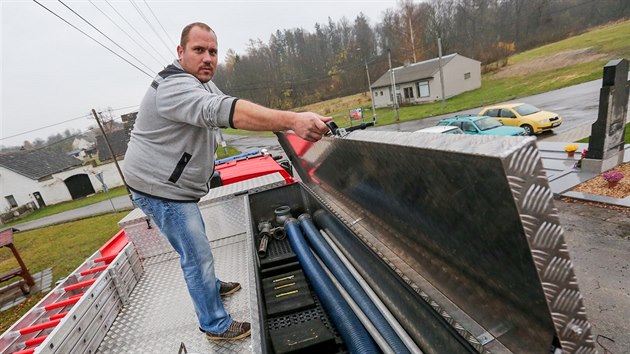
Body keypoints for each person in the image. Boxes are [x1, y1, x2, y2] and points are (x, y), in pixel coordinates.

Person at [122, 22, 330, 341]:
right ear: (181, 52)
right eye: (199, 50)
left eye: (213, 52)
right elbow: (223, 111)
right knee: (196, 254)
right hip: (159, 189)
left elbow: (231, 109)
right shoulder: (174, 88)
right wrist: (291, 120)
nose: (208, 58)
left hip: (173, 184)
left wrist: (293, 122)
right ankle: (214, 324)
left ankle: (210, 286)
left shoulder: (200, 82)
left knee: (197, 245)